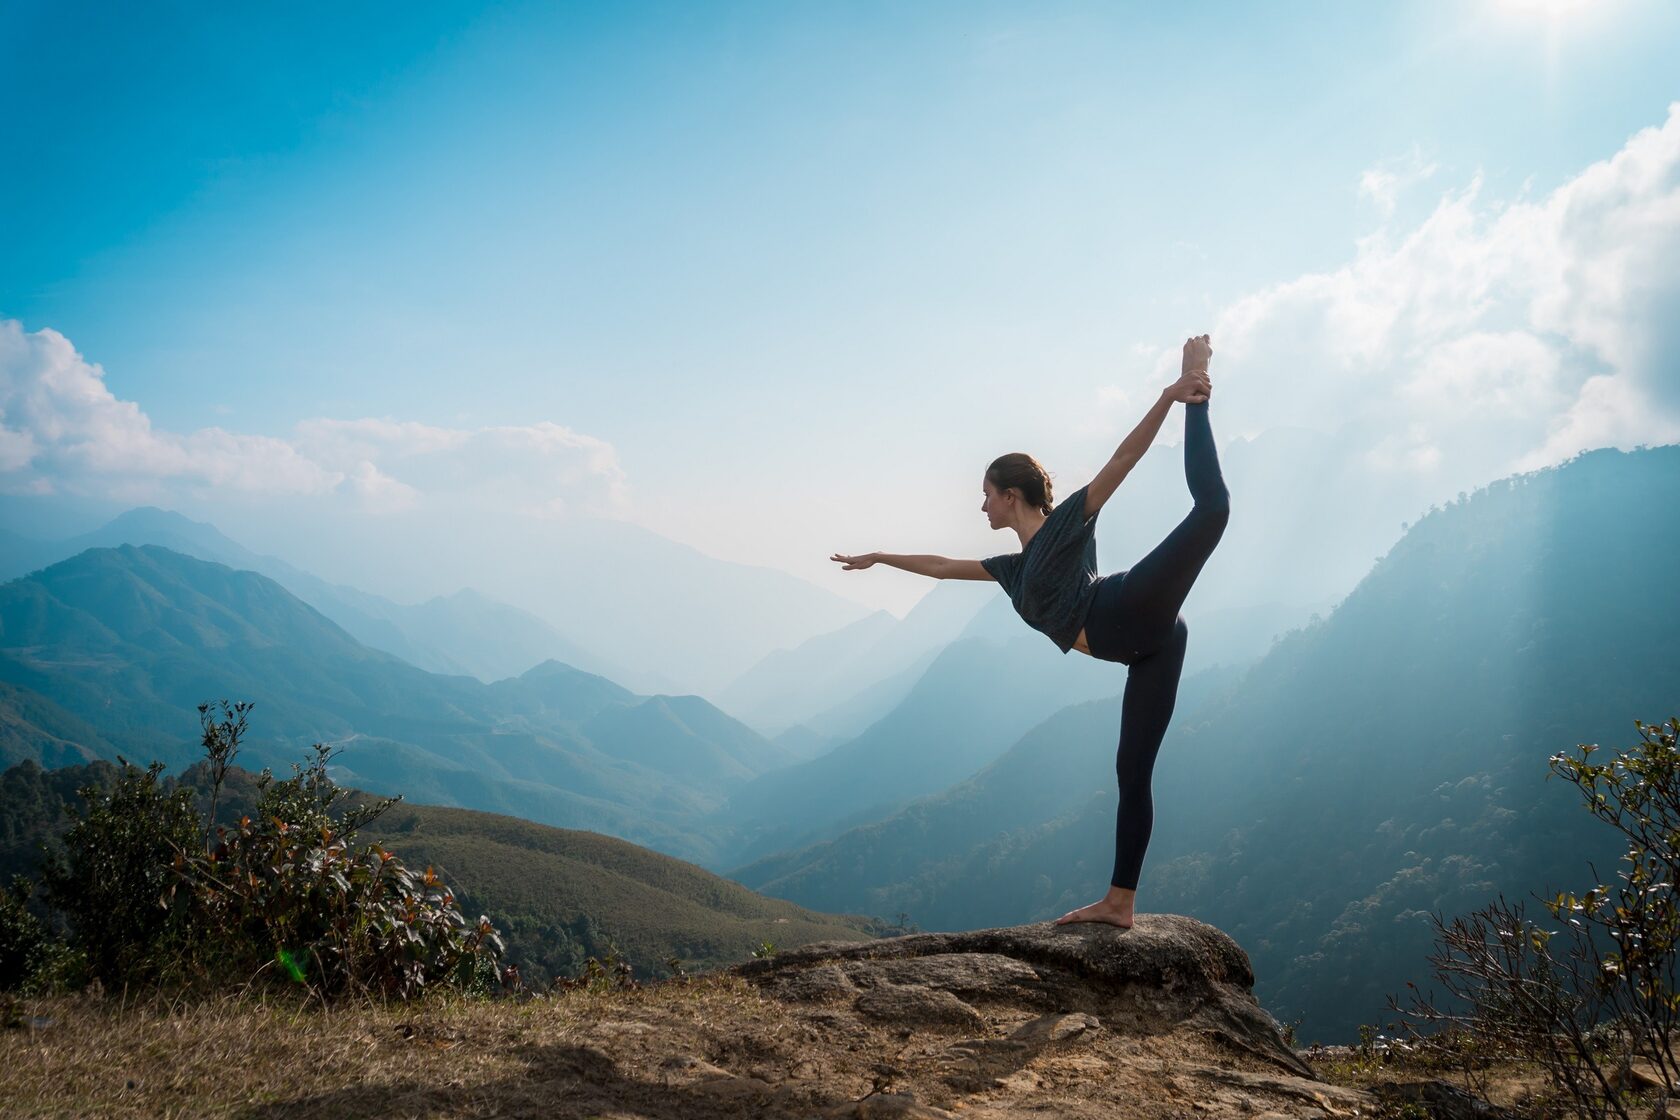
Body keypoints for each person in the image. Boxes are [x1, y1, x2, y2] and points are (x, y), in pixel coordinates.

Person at [830, 335, 1228, 930]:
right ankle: (1120, 902)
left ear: (1011, 495)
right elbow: (940, 566)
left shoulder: (1066, 523)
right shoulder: (1009, 569)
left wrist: (1173, 395)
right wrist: (880, 556)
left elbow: (1121, 460)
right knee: (1132, 771)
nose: (981, 507)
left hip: (1123, 610)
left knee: (1211, 510)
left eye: (986, 495)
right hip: (1146, 647)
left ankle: (1200, 389)